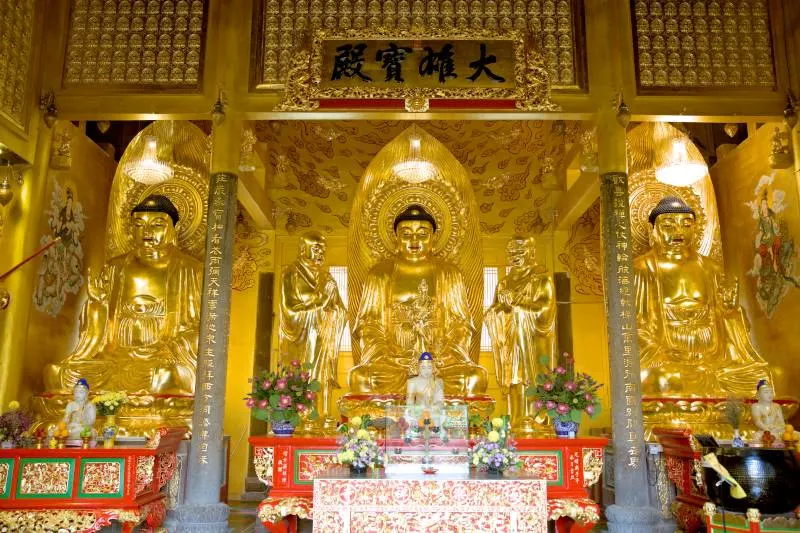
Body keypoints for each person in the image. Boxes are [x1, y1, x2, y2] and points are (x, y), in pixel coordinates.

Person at [44, 195, 202, 395]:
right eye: (139, 224)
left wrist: (167, 349)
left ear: (174, 229)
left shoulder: (191, 270)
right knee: (56, 374)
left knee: (166, 377)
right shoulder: (115, 267)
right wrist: (98, 304)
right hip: (113, 360)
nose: (147, 231)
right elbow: (98, 334)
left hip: (158, 361)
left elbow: (201, 330)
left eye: (157, 225)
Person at [633, 196, 772, 396]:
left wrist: (729, 312)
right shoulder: (642, 268)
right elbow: (634, 326)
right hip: (667, 358)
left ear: (696, 230)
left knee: (759, 377)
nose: (678, 231)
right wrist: (661, 353)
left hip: (714, 356)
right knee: (664, 378)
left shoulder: (710, 268)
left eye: (686, 224)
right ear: (652, 231)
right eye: (669, 225)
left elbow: (733, 326)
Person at [348, 205, 487, 395]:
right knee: (360, 377)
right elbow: (369, 325)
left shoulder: (449, 273)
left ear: (433, 239)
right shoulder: (379, 274)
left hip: (440, 363)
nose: (414, 240)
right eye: (406, 234)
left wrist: (441, 358)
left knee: (474, 377)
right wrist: (387, 357)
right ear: (396, 239)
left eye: (422, 234)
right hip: (392, 364)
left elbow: (460, 325)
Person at [485, 236, 556, 434]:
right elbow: (493, 311)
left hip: (531, 343)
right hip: (511, 341)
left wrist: (516, 307)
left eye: (520, 252)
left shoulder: (541, 277)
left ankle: (536, 420)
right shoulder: (504, 283)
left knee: (529, 378)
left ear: (532, 252)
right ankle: (515, 421)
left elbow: (545, 310)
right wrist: (499, 311)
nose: (514, 257)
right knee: (515, 379)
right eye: (511, 253)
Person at [279, 230, 347, 425]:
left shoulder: (326, 276)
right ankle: (304, 414)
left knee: (324, 373)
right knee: (306, 372)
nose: (320, 253)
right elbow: (290, 307)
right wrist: (321, 299)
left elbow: (339, 307)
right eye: (316, 248)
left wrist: (335, 311)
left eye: (323, 250)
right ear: (303, 248)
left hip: (324, 332)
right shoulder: (292, 272)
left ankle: (325, 413)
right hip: (303, 335)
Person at [751, 379, 799, 443]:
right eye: (766, 392)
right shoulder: (756, 406)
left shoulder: (776, 406)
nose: (770, 394)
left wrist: (779, 427)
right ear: (758, 395)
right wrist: (767, 429)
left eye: (771, 392)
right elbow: (757, 421)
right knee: (758, 436)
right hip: (764, 431)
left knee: (797, 435)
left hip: (778, 430)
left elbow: (781, 422)